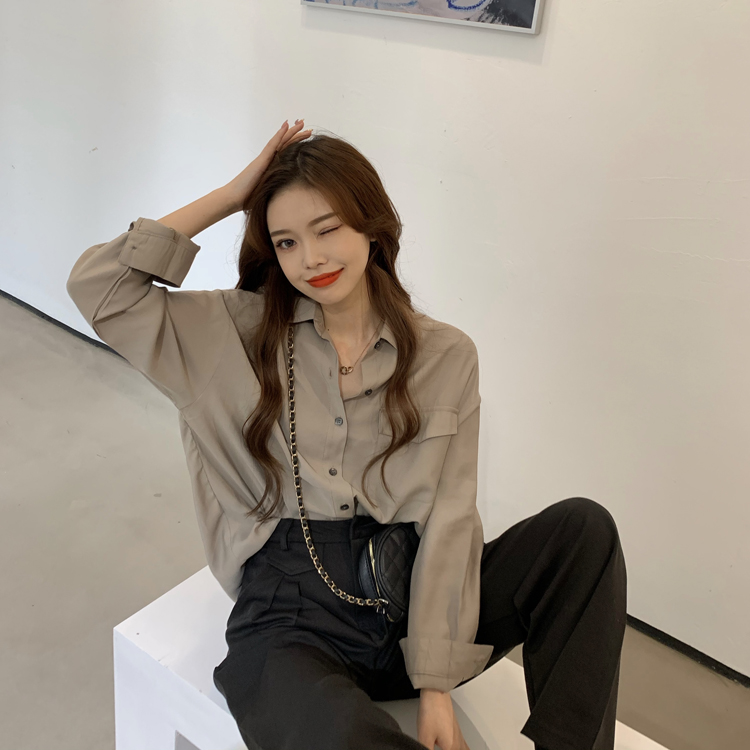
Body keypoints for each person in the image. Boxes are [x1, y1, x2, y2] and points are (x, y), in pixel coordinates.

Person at [66, 119, 627, 750]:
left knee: (584, 533)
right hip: (291, 620)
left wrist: (436, 686)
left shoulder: (445, 354)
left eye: (327, 229)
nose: (311, 259)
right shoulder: (233, 332)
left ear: (371, 225)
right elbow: (100, 289)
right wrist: (232, 195)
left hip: (408, 600)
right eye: (286, 241)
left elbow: (450, 517)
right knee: (342, 735)